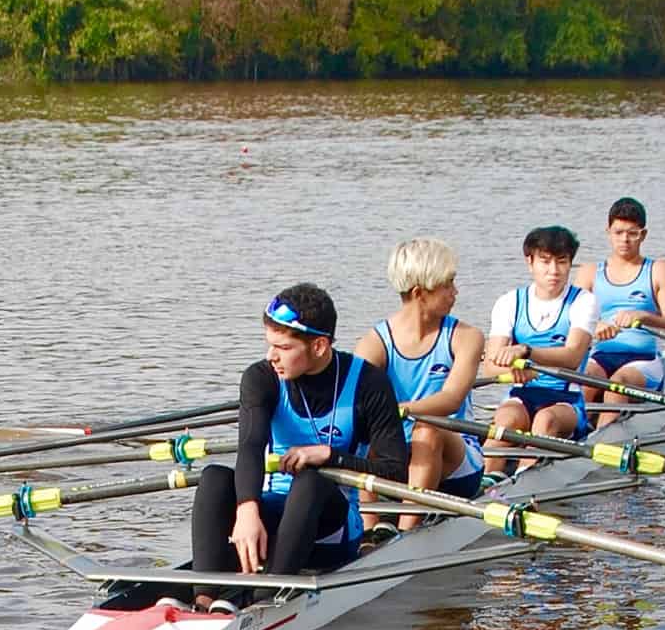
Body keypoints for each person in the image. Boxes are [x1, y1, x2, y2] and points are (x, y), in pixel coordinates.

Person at [189, 282, 409, 609]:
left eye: (283, 347)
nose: (271, 356)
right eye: (269, 344)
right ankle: (203, 600)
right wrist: (247, 510)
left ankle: (264, 599)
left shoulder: (368, 383)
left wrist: (331, 456)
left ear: (319, 346)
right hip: (275, 516)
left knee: (312, 479)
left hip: (331, 530)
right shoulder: (261, 379)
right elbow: (250, 447)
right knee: (214, 478)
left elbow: (396, 472)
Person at [352, 238, 487, 530]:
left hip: (457, 462)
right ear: (419, 293)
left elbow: (451, 399)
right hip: (395, 457)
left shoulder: (466, 337)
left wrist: (398, 409)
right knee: (360, 429)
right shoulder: (374, 344)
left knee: (429, 428)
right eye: (448, 284)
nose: (456, 292)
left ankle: (406, 530)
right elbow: (354, 403)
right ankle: (367, 526)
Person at [481, 225, 599, 479]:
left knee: (545, 420)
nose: (554, 271)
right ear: (530, 262)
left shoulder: (583, 301)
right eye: (545, 262)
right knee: (505, 420)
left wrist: (526, 353)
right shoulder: (509, 302)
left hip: (565, 400)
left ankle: (524, 481)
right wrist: (511, 370)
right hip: (521, 395)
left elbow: (573, 356)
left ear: (570, 264)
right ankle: (483, 484)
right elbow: (490, 366)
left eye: (562, 262)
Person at [576, 195, 665, 424]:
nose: (624, 240)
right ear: (608, 232)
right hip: (600, 356)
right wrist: (595, 326)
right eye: (618, 232)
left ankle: (602, 446)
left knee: (617, 387)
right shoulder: (588, 272)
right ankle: (572, 437)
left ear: (643, 234)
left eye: (632, 233)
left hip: (643, 360)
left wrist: (644, 316)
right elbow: (570, 322)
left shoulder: (659, 270)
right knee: (584, 381)